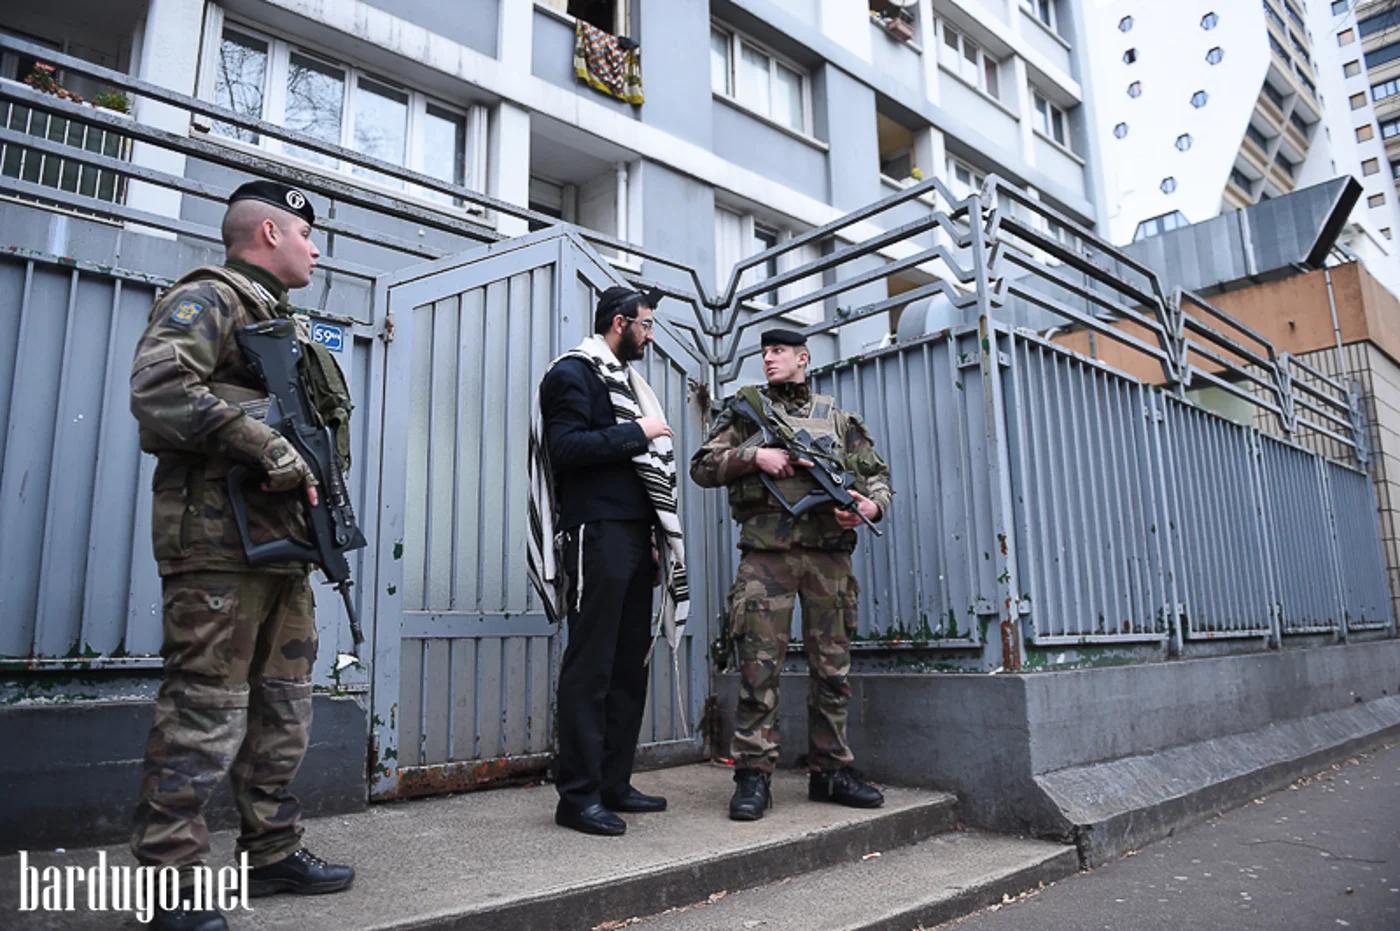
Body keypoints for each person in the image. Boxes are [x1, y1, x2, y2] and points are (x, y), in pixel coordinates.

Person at [128, 180, 354, 931]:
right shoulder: (210, 298)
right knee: (204, 708)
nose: (316, 249)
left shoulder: (284, 323)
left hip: (281, 546)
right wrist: (264, 442)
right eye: (306, 235)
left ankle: (272, 848)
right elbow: (158, 390)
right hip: (220, 546)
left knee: (283, 710)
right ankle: (172, 879)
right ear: (266, 234)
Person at [690, 328, 893, 820]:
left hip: (829, 559)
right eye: (764, 351)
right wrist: (753, 456)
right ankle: (754, 775)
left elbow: (877, 478)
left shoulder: (839, 420)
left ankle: (831, 771)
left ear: (803, 358)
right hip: (768, 557)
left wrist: (870, 507)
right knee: (760, 670)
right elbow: (701, 465)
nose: (768, 358)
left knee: (833, 671)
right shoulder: (746, 411)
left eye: (778, 351)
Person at [527, 285, 690, 836]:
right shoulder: (571, 374)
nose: (649, 335)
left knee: (626, 668)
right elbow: (565, 449)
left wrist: (651, 532)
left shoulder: (627, 382)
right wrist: (636, 433)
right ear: (620, 323)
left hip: (631, 538)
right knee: (590, 666)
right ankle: (576, 797)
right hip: (594, 535)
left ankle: (613, 783)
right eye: (646, 324)